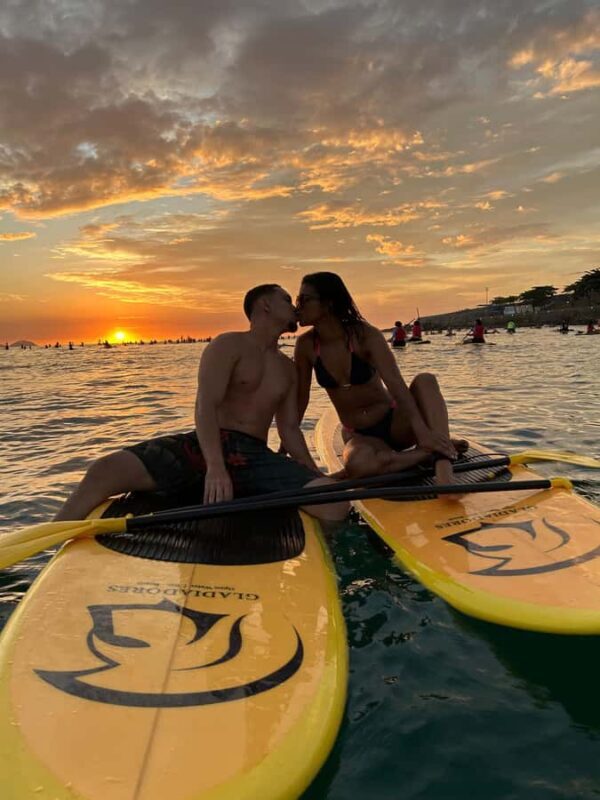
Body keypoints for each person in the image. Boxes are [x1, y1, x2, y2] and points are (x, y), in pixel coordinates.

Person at [54, 284, 348, 523]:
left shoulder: (287, 367)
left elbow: (289, 430)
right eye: (286, 299)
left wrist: (314, 474)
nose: (295, 306)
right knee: (103, 470)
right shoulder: (228, 345)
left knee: (336, 505)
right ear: (265, 306)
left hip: (252, 456)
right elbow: (205, 406)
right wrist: (216, 467)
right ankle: (51, 543)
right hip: (205, 447)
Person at [294, 272, 466, 489]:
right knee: (360, 465)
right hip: (361, 435)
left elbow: (396, 385)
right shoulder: (306, 346)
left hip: (395, 423)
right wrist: (286, 449)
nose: (297, 306)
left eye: (304, 299)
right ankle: (427, 454)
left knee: (426, 380)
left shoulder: (365, 336)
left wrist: (422, 433)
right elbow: (301, 399)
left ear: (328, 303)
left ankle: (443, 463)